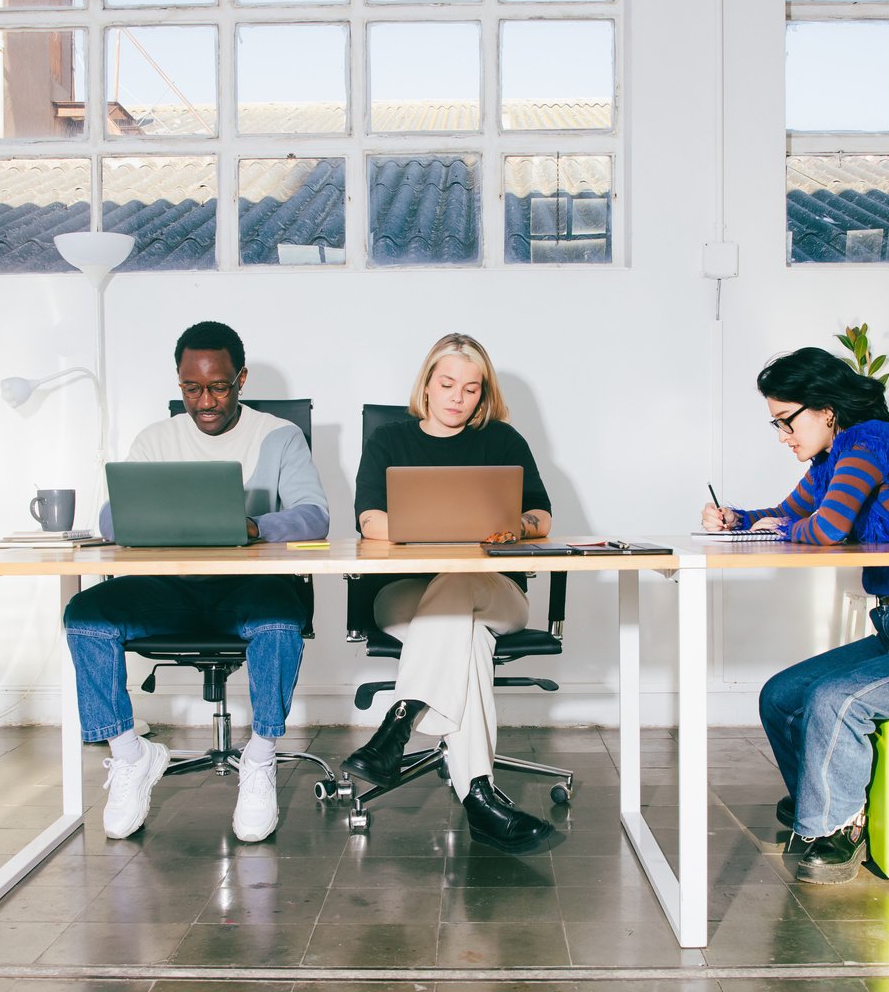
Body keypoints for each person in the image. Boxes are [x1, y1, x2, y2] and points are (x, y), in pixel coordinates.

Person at [701, 346, 889, 884]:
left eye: (786, 421)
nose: (783, 436)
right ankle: (820, 804)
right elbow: (788, 514)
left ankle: (835, 826)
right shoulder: (832, 461)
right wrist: (737, 518)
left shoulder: (871, 441)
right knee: (781, 694)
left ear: (825, 408)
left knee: (834, 699)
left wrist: (775, 528)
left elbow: (825, 529)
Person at [64, 320, 329, 844]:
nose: (205, 400)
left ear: (242, 379)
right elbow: (112, 521)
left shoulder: (279, 436)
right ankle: (129, 755)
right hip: (169, 590)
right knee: (85, 617)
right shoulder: (155, 440)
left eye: (218, 386)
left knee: (279, 621)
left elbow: (315, 517)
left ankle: (259, 758)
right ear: (179, 382)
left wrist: (253, 527)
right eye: (191, 388)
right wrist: (158, 522)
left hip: (249, 590)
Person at [343, 333, 563, 855]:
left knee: (463, 585)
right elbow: (370, 521)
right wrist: (433, 529)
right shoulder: (389, 442)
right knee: (466, 641)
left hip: (495, 594)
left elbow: (542, 516)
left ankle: (402, 720)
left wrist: (517, 526)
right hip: (404, 597)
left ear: (482, 394)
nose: (456, 398)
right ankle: (481, 798)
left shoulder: (503, 441)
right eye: (446, 384)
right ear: (426, 384)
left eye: (470, 388)